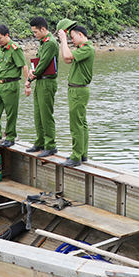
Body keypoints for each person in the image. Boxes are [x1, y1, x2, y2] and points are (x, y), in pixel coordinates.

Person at [56, 18, 95, 167]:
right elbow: (67, 60)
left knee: (76, 123)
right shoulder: (82, 49)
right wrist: (63, 42)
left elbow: (66, 56)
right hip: (77, 89)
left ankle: (76, 156)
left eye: (72, 37)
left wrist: (64, 39)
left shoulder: (87, 48)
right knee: (82, 122)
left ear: (80, 34)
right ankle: (82, 154)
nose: (71, 41)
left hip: (78, 90)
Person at [0, 24, 28, 148]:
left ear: (7, 35)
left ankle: (10, 137)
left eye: (0, 38)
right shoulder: (1, 49)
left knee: (11, 113)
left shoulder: (15, 49)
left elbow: (24, 66)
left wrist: (27, 83)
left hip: (11, 84)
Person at [25, 17, 59, 158]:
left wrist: (30, 78)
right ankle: (40, 142)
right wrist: (32, 74)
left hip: (47, 82)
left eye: (35, 32)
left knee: (46, 114)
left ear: (43, 29)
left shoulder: (51, 43)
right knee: (38, 114)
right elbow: (38, 64)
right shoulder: (43, 42)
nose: (35, 35)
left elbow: (43, 63)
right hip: (40, 81)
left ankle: (50, 145)